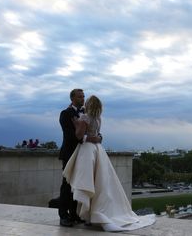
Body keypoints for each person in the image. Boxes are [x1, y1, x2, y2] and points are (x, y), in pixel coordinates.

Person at [63, 95, 155, 232]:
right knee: (100, 183)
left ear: (88, 104)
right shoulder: (98, 119)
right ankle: (92, 215)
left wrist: (78, 125)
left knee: (88, 182)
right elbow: (98, 135)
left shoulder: (84, 118)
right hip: (98, 150)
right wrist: (96, 138)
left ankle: (87, 215)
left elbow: (79, 136)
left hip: (87, 151)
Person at [58, 88, 88, 227]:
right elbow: (70, 136)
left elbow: (94, 129)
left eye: (83, 96)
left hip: (83, 155)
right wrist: (86, 137)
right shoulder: (65, 114)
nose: (82, 98)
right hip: (70, 154)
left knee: (78, 185)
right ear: (72, 98)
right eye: (80, 96)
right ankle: (63, 215)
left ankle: (74, 214)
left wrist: (96, 137)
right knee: (67, 185)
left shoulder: (86, 114)